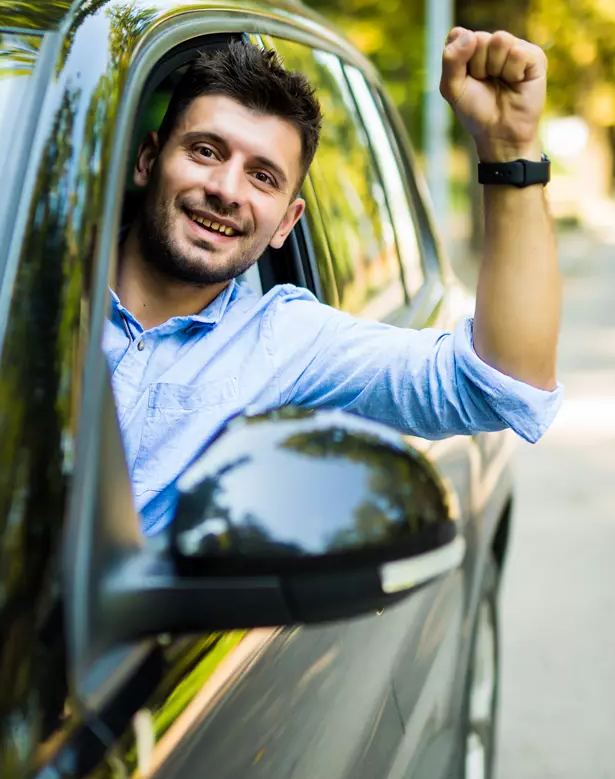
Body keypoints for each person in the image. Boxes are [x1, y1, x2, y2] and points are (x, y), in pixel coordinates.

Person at [105, 30, 562, 536]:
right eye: (207, 152)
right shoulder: (20, 282)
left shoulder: (288, 341)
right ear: (148, 160)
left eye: (263, 177)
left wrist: (509, 149)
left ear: (286, 222)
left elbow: (501, 387)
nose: (226, 189)